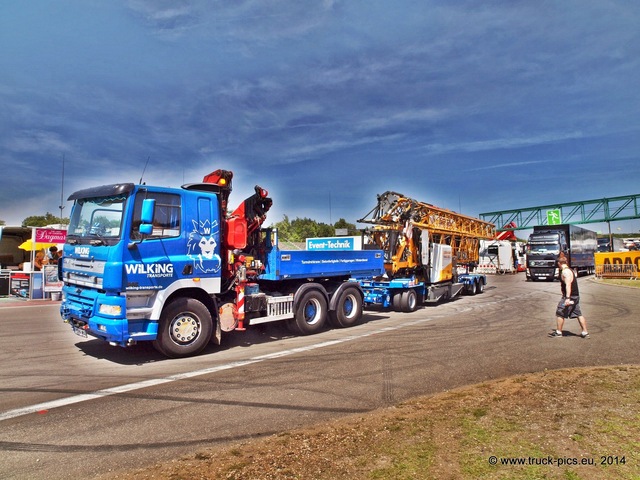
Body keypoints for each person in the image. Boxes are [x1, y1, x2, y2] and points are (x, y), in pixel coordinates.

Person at [549, 253, 589, 338]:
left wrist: (567, 298)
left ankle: (559, 332)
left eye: (558, 264)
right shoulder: (570, 270)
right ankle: (585, 332)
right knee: (578, 313)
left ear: (559, 264)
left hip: (570, 296)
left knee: (560, 312)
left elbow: (568, 285)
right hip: (575, 296)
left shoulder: (565, 272)